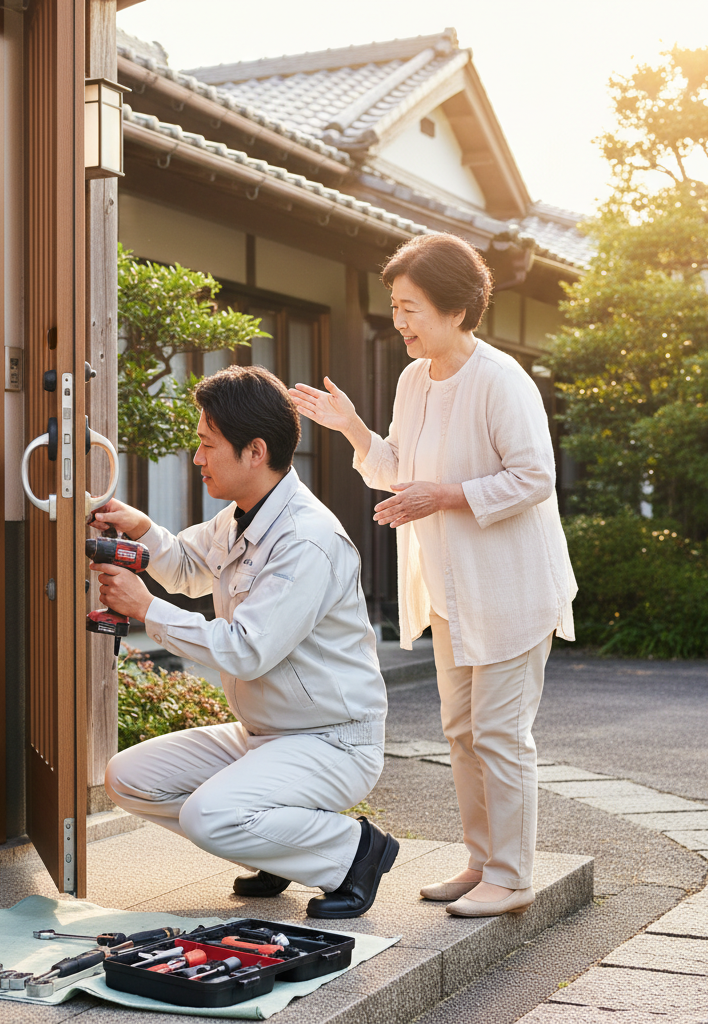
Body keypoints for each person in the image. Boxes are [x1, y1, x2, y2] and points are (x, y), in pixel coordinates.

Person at [290, 233, 576, 918]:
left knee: (501, 733)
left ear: (455, 308)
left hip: (510, 588)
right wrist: (354, 428)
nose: (400, 321)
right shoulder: (414, 379)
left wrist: (441, 496)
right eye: (395, 306)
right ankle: (483, 863)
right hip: (449, 588)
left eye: (410, 307)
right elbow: (399, 468)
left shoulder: (502, 379)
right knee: (461, 731)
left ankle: (512, 875)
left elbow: (534, 477)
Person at [94, 364, 396, 919]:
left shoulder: (307, 540)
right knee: (127, 779)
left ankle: (350, 854)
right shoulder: (241, 516)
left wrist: (144, 609)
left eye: (208, 444)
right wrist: (142, 529)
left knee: (208, 815)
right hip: (264, 734)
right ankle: (279, 848)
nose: (197, 457)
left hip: (332, 741)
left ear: (255, 451)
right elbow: (186, 567)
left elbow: (247, 649)